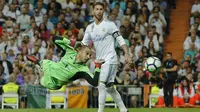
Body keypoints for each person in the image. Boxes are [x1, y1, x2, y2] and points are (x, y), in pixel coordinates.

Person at [81, 2, 131, 112]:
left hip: (110, 59)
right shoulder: (90, 28)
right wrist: (86, 54)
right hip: (99, 61)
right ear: (93, 11)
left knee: (101, 85)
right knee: (109, 87)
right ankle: (123, 109)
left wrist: (126, 53)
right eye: (97, 9)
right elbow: (84, 45)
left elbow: (120, 39)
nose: (99, 11)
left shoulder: (109, 25)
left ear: (104, 11)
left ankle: (100, 111)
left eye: (101, 9)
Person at [27, 36, 104, 90]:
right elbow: (54, 38)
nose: (88, 57)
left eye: (90, 55)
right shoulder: (70, 51)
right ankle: (37, 62)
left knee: (42, 80)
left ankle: (39, 73)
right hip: (51, 68)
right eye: (87, 53)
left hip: (54, 83)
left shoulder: (83, 70)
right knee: (47, 62)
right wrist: (70, 42)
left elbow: (94, 82)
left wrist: (98, 67)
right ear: (79, 51)